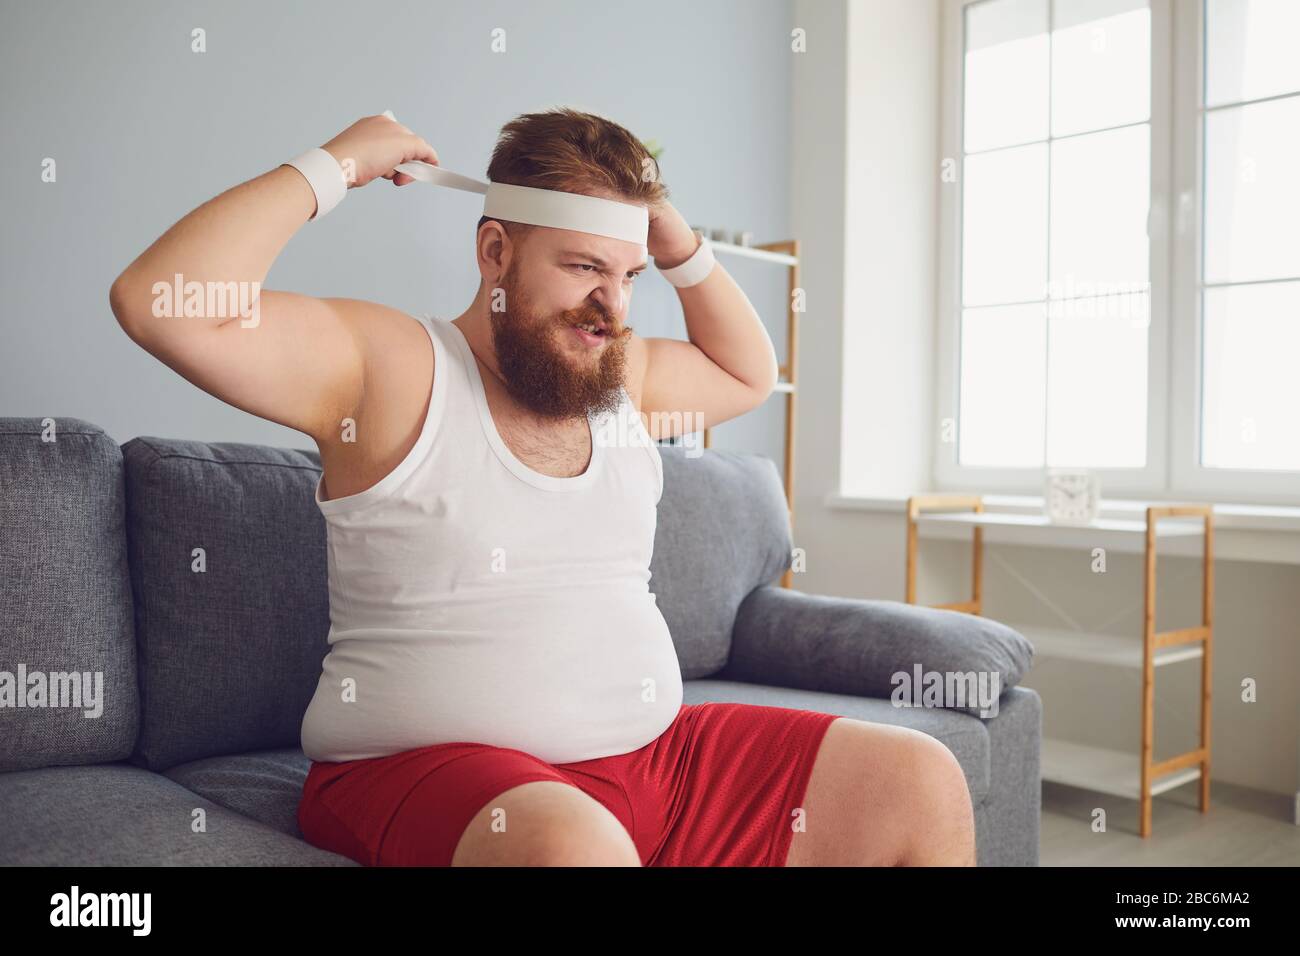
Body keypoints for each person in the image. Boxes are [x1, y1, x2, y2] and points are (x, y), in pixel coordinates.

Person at [108, 107, 976, 866]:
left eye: (629, 277)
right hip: (427, 774)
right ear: (495, 250)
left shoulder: (618, 373)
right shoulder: (388, 366)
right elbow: (157, 301)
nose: (613, 305)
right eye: (583, 268)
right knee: (573, 844)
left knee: (919, 779)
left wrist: (670, 238)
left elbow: (748, 372)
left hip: (654, 764)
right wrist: (332, 166)